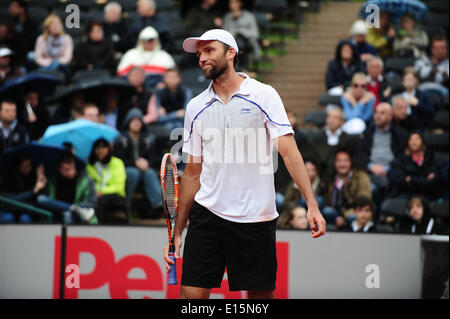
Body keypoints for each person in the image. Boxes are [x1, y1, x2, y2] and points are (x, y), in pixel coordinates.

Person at [163, 29, 326, 299]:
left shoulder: (264, 95)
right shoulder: (195, 106)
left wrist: (311, 204)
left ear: (231, 52)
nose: (202, 57)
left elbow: (290, 153)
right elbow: (192, 174)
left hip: (256, 218)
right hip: (207, 215)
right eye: (199, 53)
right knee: (191, 299)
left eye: (209, 50)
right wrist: (178, 231)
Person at [113, 108, 163, 216]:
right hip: (126, 169)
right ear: (128, 122)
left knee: (149, 172)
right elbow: (117, 160)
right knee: (133, 173)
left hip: (144, 170)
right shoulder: (120, 139)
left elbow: (154, 158)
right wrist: (134, 163)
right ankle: (125, 205)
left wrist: (147, 163)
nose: (136, 123)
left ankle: (159, 205)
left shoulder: (148, 139)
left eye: (139, 121)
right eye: (133, 120)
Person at [356, 102, 408, 192]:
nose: (377, 116)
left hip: (392, 170)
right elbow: (360, 153)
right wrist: (371, 166)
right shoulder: (366, 132)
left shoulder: (400, 134)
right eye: (376, 112)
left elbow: (402, 156)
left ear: (390, 117)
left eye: (382, 113)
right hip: (370, 170)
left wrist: (387, 168)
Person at [35, 152, 97, 224]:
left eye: (72, 168)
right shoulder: (51, 179)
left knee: (67, 214)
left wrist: (74, 207)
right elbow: (42, 200)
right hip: (55, 213)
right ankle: (73, 208)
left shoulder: (85, 180)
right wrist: (40, 176)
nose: (71, 172)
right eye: (66, 169)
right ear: (60, 169)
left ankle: (72, 209)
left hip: (77, 216)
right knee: (41, 198)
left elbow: (92, 202)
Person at [322, 148, 372, 228]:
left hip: (353, 212)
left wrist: (344, 217)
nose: (342, 164)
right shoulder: (330, 178)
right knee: (327, 212)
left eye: (346, 161)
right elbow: (325, 201)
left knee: (353, 217)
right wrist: (338, 218)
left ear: (351, 162)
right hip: (334, 214)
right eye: (339, 161)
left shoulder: (360, 176)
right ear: (334, 163)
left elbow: (364, 202)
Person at [388, 132, 440, 201]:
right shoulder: (401, 159)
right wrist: (424, 180)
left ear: (423, 142)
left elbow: (433, 182)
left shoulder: (430, 159)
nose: (413, 141)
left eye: (416, 139)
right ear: (407, 143)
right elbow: (399, 180)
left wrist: (411, 179)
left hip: (427, 194)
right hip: (405, 193)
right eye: (411, 139)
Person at [86, 138, 127, 223]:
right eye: (97, 147)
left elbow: (119, 186)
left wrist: (102, 191)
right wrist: (96, 193)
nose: (100, 150)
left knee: (101, 201)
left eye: (103, 147)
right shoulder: (90, 165)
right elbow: (88, 183)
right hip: (95, 195)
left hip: (115, 195)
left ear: (108, 149)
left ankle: (98, 225)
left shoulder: (117, 162)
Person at [311, 107, 355, 172]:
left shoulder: (349, 139)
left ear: (342, 122)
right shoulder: (317, 138)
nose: (331, 120)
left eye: (335, 117)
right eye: (329, 117)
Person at [222, 0, 261, 68]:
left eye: (234, 2)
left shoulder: (249, 16)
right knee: (238, 42)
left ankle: (241, 68)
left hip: (247, 42)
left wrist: (240, 31)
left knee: (240, 42)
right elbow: (224, 34)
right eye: (230, 2)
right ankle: (240, 68)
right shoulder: (227, 17)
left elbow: (255, 33)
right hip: (231, 43)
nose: (231, 4)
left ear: (240, 3)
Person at [34, 14, 73, 80]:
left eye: (57, 24)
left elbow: (67, 58)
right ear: (47, 27)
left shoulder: (67, 38)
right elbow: (38, 58)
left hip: (61, 67)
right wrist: (51, 63)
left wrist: (56, 63)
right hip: (45, 67)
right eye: (53, 24)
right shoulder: (41, 39)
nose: (56, 26)